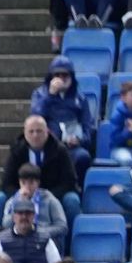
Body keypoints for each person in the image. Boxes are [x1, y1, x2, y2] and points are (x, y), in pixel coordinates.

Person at [31, 56, 97, 184]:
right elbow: (35, 118)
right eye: (57, 75)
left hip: (72, 147)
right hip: (49, 145)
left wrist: (79, 140)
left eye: (65, 75)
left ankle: (77, 191)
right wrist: (50, 95)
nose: (61, 78)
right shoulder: (39, 94)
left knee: (83, 157)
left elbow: (88, 127)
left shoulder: (80, 98)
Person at [3, 164, 69, 246]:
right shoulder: (12, 202)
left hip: (43, 240)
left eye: (31, 183)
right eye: (23, 183)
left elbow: (62, 227)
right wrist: (18, 204)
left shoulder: (50, 200)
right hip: (19, 240)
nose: (27, 187)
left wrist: (40, 233)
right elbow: (6, 224)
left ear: (37, 183)